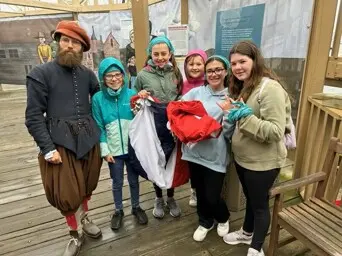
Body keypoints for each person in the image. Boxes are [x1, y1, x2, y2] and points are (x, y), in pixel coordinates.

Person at [25, 20, 103, 256]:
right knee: (66, 193)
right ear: (58, 42)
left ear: (82, 48)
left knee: (87, 185)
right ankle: (74, 233)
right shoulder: (41, 73)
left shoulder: (89, 74)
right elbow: (33, 115)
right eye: (66, 41)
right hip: (60, 142)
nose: (70, 46)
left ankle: (86, 217)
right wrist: (48, 148)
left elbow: (100, 103)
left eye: (76, 43)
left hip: (89, 139)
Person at [219, 40, 291, 256]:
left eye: (243, 61)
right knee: (251, 199)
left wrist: (244, 117)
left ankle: (256, 248)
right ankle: (247, 232)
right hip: (244, 159)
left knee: (260, 206)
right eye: (234, 63)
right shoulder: (245, 85)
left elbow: (276, 131)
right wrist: (231, 115)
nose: (238, 67)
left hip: (263, 163)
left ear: (255, 60)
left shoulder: (270, 89)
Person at [92, 57, 148, 231]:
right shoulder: (98, 99)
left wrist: (143, 101)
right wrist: (105, 149)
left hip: (132, 149)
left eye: (118, 74)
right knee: (117, 181)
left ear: (123, 76)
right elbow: (98, 125)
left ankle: (136, 206)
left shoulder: (132, 94)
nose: (114, 79)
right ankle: (118, 210)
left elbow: (141, 119)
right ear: (103, 78)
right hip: (113, 150)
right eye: (109, 75)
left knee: (133, 180)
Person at [181, 55, 233, 242]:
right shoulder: (196, 93)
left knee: (212, 195)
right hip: (193, 153)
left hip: (215, 155)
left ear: (226, 71)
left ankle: (223, 217)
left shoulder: (230, 96)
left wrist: (227, 114)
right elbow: (179, 110)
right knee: (200, 192)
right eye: (210, 70)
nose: (214, 74)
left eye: (218, 69)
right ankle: (205, 221)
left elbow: (229, 133)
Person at [134, 36, 183, 219]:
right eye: (156, 54)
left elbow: (180, 96)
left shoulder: (176, 73)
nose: (160, 57)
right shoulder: (142, 75)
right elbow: (135, 97)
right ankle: (158, 197)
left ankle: (171, 197)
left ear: (170, 53)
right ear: (150, 54)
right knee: (156, 160)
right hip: (153, 124)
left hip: (172, 124)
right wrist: (140, 94)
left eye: (164, 53)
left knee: (171, 160)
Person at [181, 49, 208, 207]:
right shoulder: (183, 85)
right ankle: (194, 189)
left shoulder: (209, 83)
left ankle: (206, 190)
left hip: (206, 129)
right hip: (189, 131)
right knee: (192, 163)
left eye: (199, 63)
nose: (195, 67)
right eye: (191, 64)